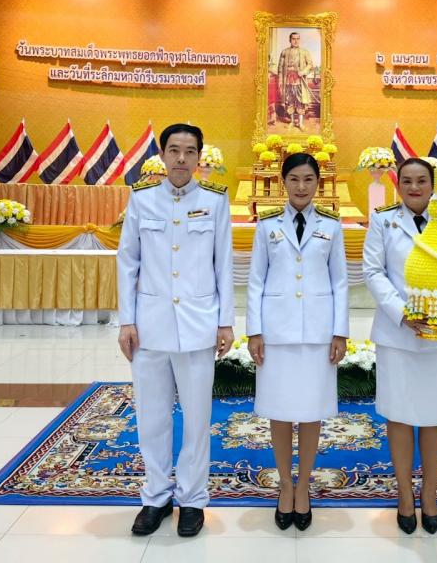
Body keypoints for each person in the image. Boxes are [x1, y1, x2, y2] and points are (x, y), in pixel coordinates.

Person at [117, 122, 234, 538]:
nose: (182, 158)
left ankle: (193, 499)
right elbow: (127, 261)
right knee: (151, 416)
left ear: (199, 157)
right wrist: (126, 320)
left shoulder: (215, 201)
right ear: (162, 155)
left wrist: (225, 321)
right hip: (149, 327)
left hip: (198, 325)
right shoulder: (142, 198)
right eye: (174, 150)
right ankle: (155, 496)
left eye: (189, 151)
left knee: (198, 419)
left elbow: (223, 262)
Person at [363, 157, 437, 535]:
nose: (414, 187)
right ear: (398, 185)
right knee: (398, 413)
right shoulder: (383, 221)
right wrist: (403, 313)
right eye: (407, 181)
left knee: (435, 414)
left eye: (421, 181)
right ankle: (403, 494)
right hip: (397, 334)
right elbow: (373, 271)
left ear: (433, 184)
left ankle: (429, 493)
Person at [247, 152, 349, 531]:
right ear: (283, 182)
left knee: (310, 410)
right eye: (294, 179)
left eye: (308, 180)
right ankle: (284, 485)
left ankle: (303, 484)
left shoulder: (331, 226)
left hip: (318, 333)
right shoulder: (266, 225)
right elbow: (255, 280)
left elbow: (340, 281)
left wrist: (340, 331)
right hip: (276, 331)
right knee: (278, 409)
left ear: (317, 183)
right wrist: (254, 331)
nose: (301, 187)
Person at [277, 31, 315, 130]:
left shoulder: (305, 52)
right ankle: (292, 122)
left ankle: (300, 123)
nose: (296, 41)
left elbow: (310, 65)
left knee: (300, 101)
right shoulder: (284, 52)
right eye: (293, 39)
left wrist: (303, 72)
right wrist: (280, 80)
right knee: (289, 101)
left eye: (298, 39)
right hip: (288, 81)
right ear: (290, 40)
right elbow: (280, 68)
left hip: (299, 81)